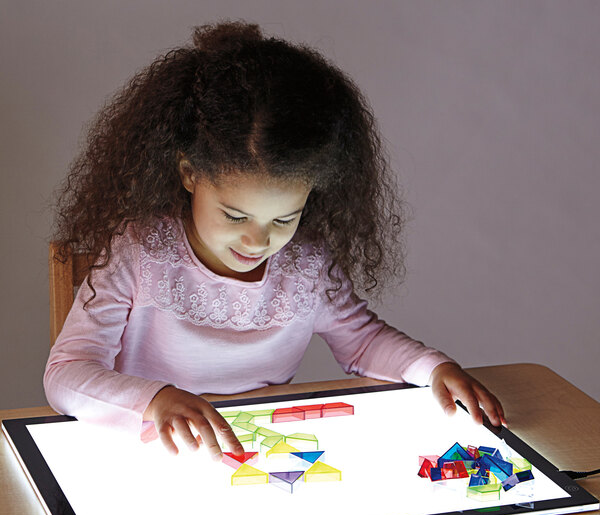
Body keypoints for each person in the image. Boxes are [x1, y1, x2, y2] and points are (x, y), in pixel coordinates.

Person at [44, 21, 506, 459]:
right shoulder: (140, 254)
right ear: (188, 174)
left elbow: (363, 343)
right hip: (150, 453)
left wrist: (434, 369)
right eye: (234, 214)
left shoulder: (305, 266)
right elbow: (66, 375)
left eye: (285, 218)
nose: (258, 239)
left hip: (258, 453)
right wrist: (155, 400)